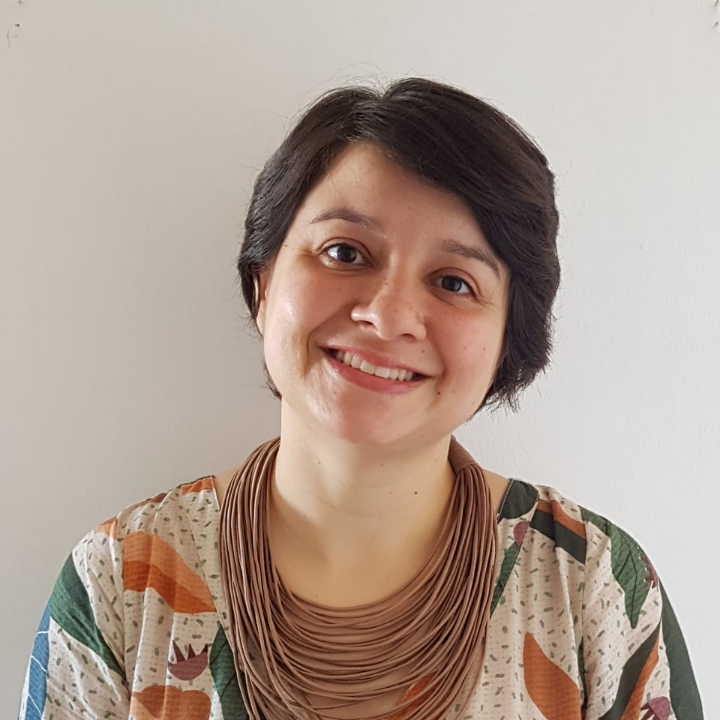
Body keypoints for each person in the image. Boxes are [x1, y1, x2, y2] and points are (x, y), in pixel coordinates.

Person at [19, 78, 703, 720]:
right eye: (345, 253)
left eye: (454, 282)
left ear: (507, 338)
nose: (388, 315)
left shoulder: (594, 588)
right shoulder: (121, 582)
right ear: (263, 284)